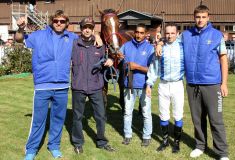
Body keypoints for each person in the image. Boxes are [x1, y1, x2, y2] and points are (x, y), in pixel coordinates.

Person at [15, 10, 102, 160]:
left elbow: (88, 36)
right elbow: (18, 39)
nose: (59, 23)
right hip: (43, 85)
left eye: (62, 21)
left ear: (67, 23)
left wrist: (98, 36)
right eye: (56, 21)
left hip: (62, 86)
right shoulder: (39, 35)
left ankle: (54, 146)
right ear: (52, 21)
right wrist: (21, 28)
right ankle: (31, 149)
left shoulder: (72, 37)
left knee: (58, 119)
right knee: (38, 120)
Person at [182, 5, 229, 160]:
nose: (200, 20)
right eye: (198, 17)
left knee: (216, 119)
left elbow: (223, 59)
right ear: (194, 17)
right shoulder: (186, 35)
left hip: (212, 83)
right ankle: (200, 145)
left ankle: (222, 152)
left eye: (203, 17)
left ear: (208, 17)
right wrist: (161, 43)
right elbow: (171, 43)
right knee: (197, 119)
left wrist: (224, 83)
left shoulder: (216, 35)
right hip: (192, 84)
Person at [71, 17, 115, 154]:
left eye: (90, 27)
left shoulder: (100, 46)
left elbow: (107, 58)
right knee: (77, 116)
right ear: (81, 28)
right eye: (85, 27)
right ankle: (78, 142)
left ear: (93, 29)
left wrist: (110, 60)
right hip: (78, 86)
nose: (87, 29)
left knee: (101, 116)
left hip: (96, 86)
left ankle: (101, 141)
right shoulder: (74, 44)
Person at [146, 23, 184, 153]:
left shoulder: (183, 46)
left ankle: (177, 142)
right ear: (164, 34)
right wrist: (149, 84)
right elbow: (154, 67)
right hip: (163, 85)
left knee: (178, 114)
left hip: (178, 85)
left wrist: (159, 42)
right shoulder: (160, 49)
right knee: (163, 114)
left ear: (177, 34)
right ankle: (165, 141)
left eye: (172, 33)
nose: (169, 36)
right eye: (167, 33)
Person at [120, 23, 154, 147]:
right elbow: (118, 57)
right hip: (129, 85)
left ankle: (146, 136)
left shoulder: (150, 48)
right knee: (128, 112)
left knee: (146, 113)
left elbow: (153, 69)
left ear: (145, 34)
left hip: (144, 85)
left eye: (141, 33)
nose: (139, 35)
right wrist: (118, 56)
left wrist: (137, 67)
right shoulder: (126, 46)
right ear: (134, 32)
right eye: (137, 32)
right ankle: (127, 135)